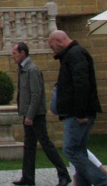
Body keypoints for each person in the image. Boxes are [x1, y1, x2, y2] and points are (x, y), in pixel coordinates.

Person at [48, 30, 107, 186]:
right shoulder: (73, 54)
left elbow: (82, 84)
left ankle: (105, 183)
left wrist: (80, 112)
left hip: (77, 114)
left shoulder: (75, 54)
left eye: (52, 47)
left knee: (71, 150)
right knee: (80, 151)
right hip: (77, 112)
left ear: (59, 41)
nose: (53, 51)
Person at [11, 42, 71, 186]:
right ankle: (28, 177)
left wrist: (30, 115)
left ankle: (63, 174)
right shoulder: (23, 69)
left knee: (46, 144)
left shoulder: (32, 69)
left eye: (14, 53)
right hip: (28, 114)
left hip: (35, 115)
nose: (13, 56)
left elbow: (36, 94)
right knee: (29, 146)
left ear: (23, 53)